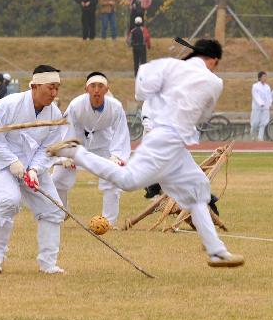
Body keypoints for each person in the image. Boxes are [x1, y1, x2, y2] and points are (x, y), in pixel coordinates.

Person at [47, 39, 244, 268]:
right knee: (128, 180)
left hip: (174, 143)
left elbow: (141, 88)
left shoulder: (170, 67)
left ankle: (216, 251)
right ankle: (74, 151)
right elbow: (201, 115)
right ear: (214, 61)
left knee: (199, 188)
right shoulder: (213, 81)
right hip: (164, 138)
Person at [0, 65, 66, 275]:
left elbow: (48, 148)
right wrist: (12, 162)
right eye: (50, 88)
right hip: (3, 164)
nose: (54, 93)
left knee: (54, 210)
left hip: (33, 168)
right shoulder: (8, 105)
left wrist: (34, 169)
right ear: (35, 85)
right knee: (9, 201)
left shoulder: (55, 114)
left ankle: (48, 263)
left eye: (57, 88)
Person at [52, 72, 130, 227]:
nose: (96, 90)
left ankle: (109, 222)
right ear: (86, 89)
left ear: (107, 89)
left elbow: (120, 133)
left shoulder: (116, 107)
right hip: (78, 144)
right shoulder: (76, 105)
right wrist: (67, 155)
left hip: (103, 146)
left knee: (112, 178)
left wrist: (116, 156)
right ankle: (61, 212)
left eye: (101, 86)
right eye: (92, 86)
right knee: (59, 177)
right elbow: (67, 130)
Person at [250, 71, 271, 141]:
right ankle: (252, 136)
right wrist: (261, 103)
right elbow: (256, 96)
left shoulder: (267, 87)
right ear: (259, 77)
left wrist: (269, 104)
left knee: (263, 123)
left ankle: (260, 138)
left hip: (265, 108)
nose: (265, 78)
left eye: (266, 76)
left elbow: (269, 97)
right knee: (255, 123)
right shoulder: (255, 86)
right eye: (263, 76)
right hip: (257, 108)